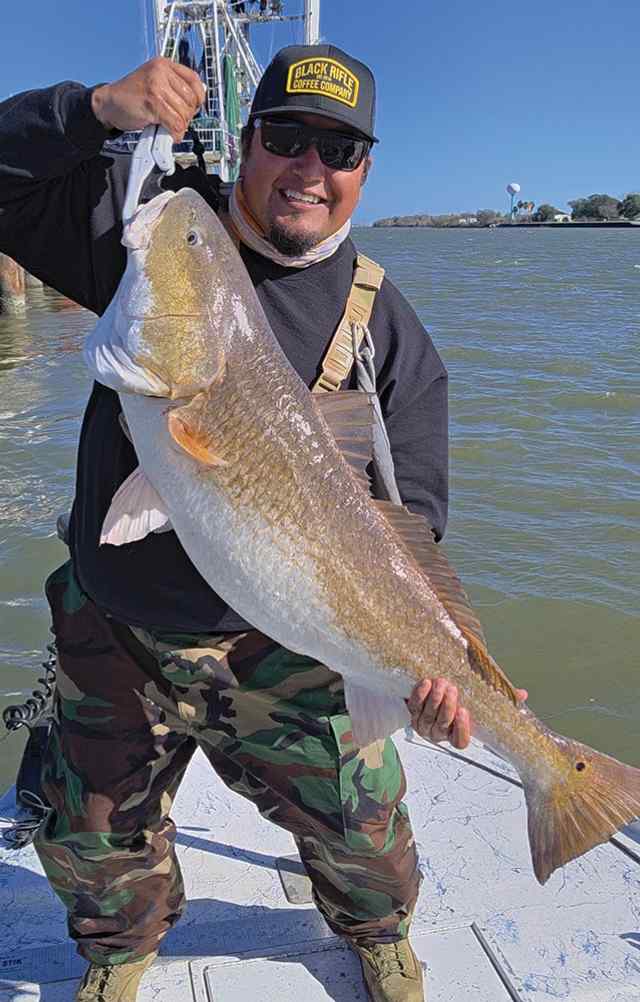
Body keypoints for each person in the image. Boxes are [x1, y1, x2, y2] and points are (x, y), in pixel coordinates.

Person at [0, 43, 523, 1002]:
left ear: (365, 169)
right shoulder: (165, 232)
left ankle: (378, 935)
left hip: (289, 643)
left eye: (338, 149)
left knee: (368, 846)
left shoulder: (389, 335)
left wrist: (440, 669)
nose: (308, 168)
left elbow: (415, 529)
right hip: (118, 627)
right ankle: (119, 954)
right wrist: (91, 109)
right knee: (92, 839)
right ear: (246, 143)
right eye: (285, 136)